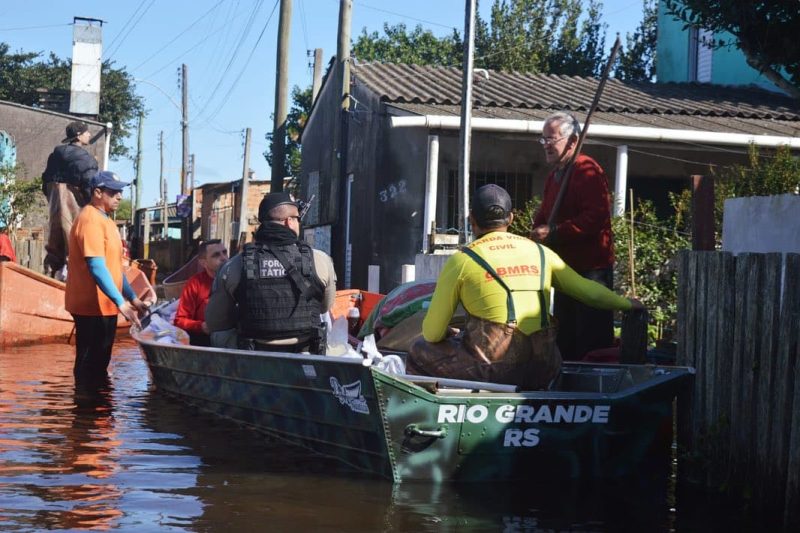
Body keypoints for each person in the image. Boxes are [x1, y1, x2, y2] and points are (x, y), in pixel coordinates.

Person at [407, 184, 642, 390]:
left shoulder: (462, 260)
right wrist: (626, 303)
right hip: (545, 369)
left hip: (493, 371)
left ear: (471, 219)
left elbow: (432, 333)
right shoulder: (541, 253)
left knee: (419, 351)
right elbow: (589, 292)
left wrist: (449, 333)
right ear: (511, 218)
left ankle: (439, 420)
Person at [530, 111, 616, 361]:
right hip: (566, 270)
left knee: (590, 337)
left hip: (591, 269)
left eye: (551, 139)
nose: (546, 145)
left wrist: (556, 232)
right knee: (566, 335)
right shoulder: (554, 176)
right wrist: (536, 232)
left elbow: (595, 218)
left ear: (572, 141)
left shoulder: (587, 169)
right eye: (543, 139)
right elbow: (545, 213)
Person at [205, 192, 337, 353]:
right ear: (289, 222)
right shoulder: (320, 260)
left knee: (218, 335)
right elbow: (324, 307)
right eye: (297, 218)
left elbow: (215, 322)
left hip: (254, 354)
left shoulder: (235, 265)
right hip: (307, 352)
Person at [65, 171, 151, 386]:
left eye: (120, 191)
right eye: (113, 192)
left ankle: (97, 412)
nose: (119, 196)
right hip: (91, 306)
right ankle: (86, 412)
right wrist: (121, 303)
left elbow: (114, 269)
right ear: (97, 193)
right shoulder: (90, 220)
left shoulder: (106, 222)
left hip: (105, 304)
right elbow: (96, 266)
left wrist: (133, 298)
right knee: (89, 364)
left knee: (100, 361)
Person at [41, 121, 99, 278]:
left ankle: (50, 277)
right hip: (74, 205)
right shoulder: (86, 159)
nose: (89, 135)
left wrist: (53, 197)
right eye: (87, 132)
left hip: (54, 204)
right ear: (79, 136)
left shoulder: (55, 156)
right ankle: (73, 281)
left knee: (55, 243)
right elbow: (89, 185)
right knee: (75, 243)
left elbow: (45, 181)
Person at [174, 239, 229, 346]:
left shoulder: (238, 279)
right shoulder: (195, 284)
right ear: (203, 262)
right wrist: (201, 326)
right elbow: (179, 320)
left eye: (225, 252)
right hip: (204, 339)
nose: (223, 258)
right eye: (216, 255)